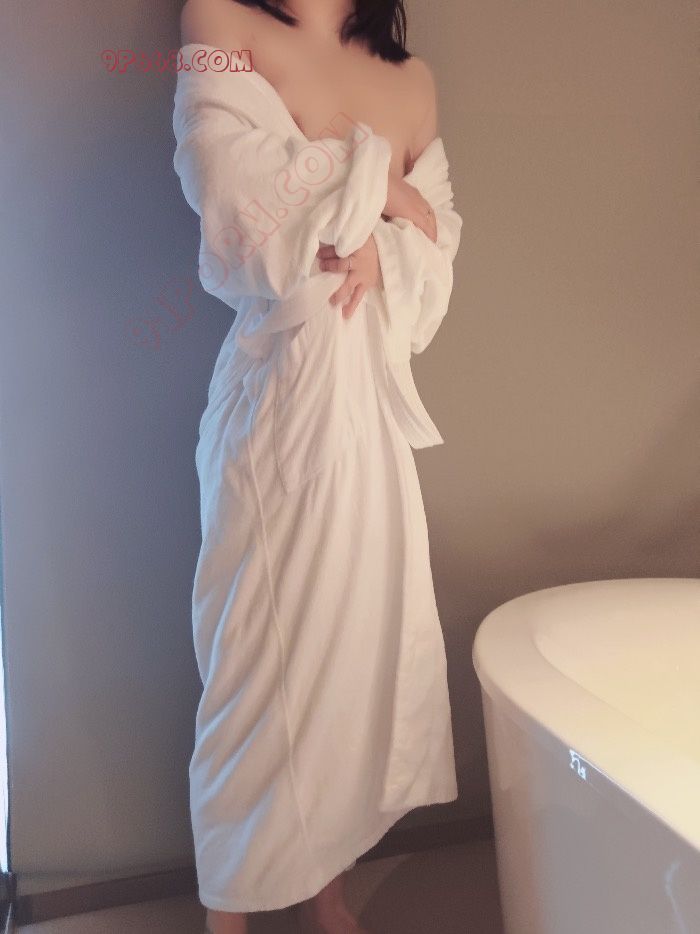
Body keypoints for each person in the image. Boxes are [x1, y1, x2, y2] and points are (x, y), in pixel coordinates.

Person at [174, 1, 462, 931]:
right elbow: (229, 189)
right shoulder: (221, 17)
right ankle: (228, 910)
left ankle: (325, 888)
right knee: (255, 658)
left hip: (366, 418)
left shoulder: (411, 82)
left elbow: (437, 244)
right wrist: (379, 184)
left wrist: (382, 229)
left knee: (353, 655)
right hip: (275, 405)